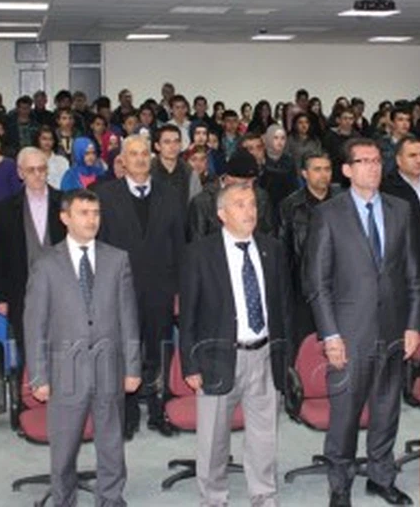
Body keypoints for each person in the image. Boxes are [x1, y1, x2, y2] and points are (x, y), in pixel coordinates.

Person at [304, 137, 420, 507]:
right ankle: (339, 486)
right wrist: (330, 334)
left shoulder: (400, 209)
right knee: (345, 415)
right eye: (364, 161)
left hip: (393, 330)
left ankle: (381, 477)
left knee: (387, 410)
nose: (373, 167)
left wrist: (413, 325)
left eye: (376, 160)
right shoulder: (329, 213)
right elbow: (317, 283)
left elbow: (413, 274)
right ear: (347, 170)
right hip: (349, 333)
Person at [24, 189, 139, 507]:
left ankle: (111, 498)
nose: (92, 220)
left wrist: (132, 367)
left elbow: (128, 317)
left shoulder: (117, 259)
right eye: (84, 213)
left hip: (109, 368)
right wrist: (39, 376)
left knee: (111, 444)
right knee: (63, 448)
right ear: (65, 218)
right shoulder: (46, 264)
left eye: (96, 213)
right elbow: (35, 325)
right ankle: (64, 500)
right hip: (65, 372)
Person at [179, 184, 289, 507]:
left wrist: (286, 354)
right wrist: (190, 364)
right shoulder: (200, 253)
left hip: (265, 354)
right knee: (213, 439)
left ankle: (264, 495)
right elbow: (188, 315)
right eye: (239, 204)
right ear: (222, 214)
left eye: (252, 204)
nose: (249, 211)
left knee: (264, 435)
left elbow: (283, 307)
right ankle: (213, 498)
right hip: (218, 357)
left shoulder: (272, 249)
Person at [93, 135, 187, 439]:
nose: (140, 159)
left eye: (145, 154)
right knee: (125, 352)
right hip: (120, 291)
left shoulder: (170, 194)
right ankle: (128, 414)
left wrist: (179, 291)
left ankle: (159, 411)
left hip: (161, 290)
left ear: (152, 157)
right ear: (122, 160)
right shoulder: (104, 195)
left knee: (160, 352)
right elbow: (99, 247)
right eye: (133, 154)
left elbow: (180, 245)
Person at [0, 147, 66, 371]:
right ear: (20, 173)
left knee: (64, 351)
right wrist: (1, 296)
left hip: (63, 291)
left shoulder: (66, 202)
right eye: (31, 170)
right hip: (21, 291)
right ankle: (32, 391)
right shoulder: (4, 209)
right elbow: (0, 255)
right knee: (29, 352)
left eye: (42, 169)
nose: (38, 175)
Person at [278, 150, 341, 343]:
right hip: (304, 289)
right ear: (304, 173)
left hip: (340, 286)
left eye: (327, 169)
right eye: (317, 170)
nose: (324, 174)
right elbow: (284, 252)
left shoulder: (343, 201)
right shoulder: (290, 206)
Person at [187, 150, 273, 241]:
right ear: (229, 180)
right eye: (245, 183)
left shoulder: (261, 197)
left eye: (253, 181)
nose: (250, 186)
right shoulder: (204, 202)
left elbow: (268, 235)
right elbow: (197, 241)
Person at [150, 125, 194, 217]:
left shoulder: (190, 172)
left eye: (176, 141)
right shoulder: (147, 171)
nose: (172, 146)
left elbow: (195, 207)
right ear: (157, 146)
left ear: (181, 145)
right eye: (167, 142)